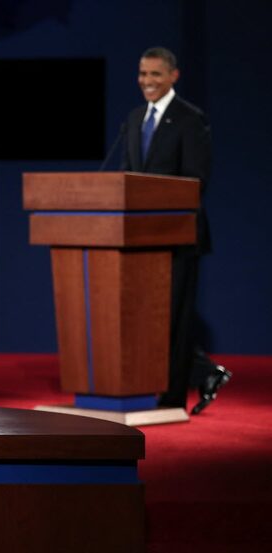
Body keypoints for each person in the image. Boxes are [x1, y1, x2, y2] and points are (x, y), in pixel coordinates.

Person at [121, 46, 230, 414]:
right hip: (139, 238)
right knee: (149, 318)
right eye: (142, 74)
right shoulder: (135, 119)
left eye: (154, 74)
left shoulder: (190, 119)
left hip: (178, 236)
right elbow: (125, 177)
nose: (146, 81)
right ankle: (202, 373)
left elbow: (195, 181)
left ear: (173, 76)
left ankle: (171, 398)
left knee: (175, 320)